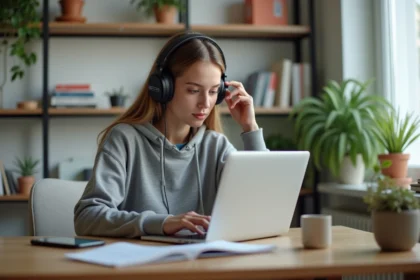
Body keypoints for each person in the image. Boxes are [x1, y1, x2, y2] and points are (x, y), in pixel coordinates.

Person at [73, 31, 268, 239]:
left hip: (203, 265)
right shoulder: (124, 140)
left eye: (213, 92)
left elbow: (264, 203)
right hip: (141, 266)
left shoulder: (216, 145)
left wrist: (250, 127)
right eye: (193, 91)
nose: (206, 103)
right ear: (163, 87)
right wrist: (161, 223)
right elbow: (87, 217)